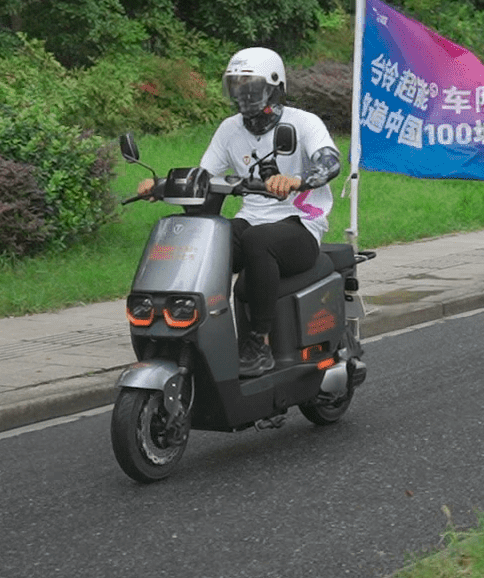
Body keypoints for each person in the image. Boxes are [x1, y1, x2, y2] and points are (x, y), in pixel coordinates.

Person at [139, 48, 342, 376]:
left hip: (302, 225)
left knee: (258, 241)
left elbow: (330, 160)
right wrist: (160, 185)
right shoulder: (229, 128)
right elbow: (204, 176)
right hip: (252, 221)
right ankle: (190, 330)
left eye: (251, 87)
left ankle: (258, 343)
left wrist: (298, 180)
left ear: (274, 87)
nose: (243, 96)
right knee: (202, 243)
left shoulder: (303, 123)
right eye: (237, 88)